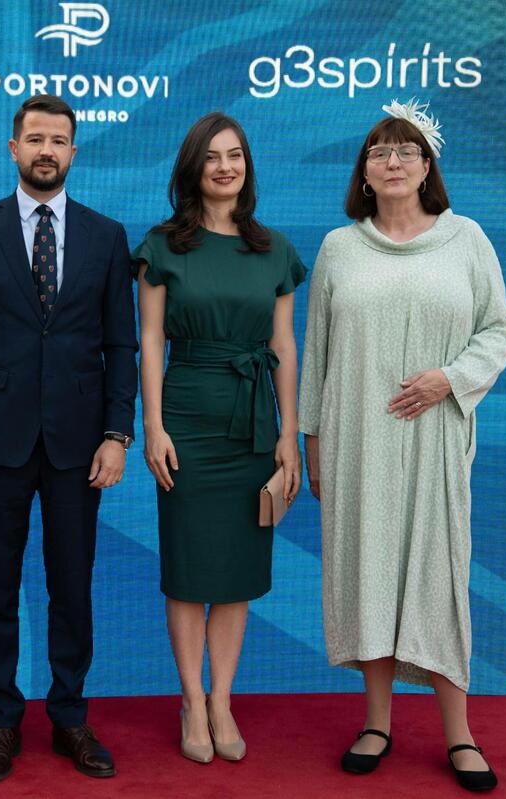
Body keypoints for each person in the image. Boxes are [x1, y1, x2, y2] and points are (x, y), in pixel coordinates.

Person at [299, 100, 506, 792]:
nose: (392, 162)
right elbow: (316, 355)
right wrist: (312, 445)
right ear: (364, 171)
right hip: (355, 441)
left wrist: (450, 378)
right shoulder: (339, 248)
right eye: (379, 152)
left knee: (436, 575)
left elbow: (499, 329)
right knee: (368, 572)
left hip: (434, 440)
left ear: (428, 168)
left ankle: (460, 733)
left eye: (406, 151)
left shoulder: (466, 239)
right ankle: (377, 722)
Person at [0, 95, 137, 783]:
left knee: (71, 586)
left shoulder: (107, 235)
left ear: (73, 152)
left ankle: (69, 716)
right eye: (35, 139)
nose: (46, 150)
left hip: (80, 446)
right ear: (13, 148)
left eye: (58, 140)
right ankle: (1, 722)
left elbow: (121, 345)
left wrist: (117, 433)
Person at [134, 112, 304, 764]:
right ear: (193, 168)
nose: (225, 166)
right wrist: (153, 425)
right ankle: (191, 699)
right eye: (212, 156)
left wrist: (289, 433)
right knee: (187, 570)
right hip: (186, 418)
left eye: (235, 155)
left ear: (247, 167)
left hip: (254, 425)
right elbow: (151, 339)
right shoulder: (161, 245)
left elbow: (283, 344)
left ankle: (222, 699)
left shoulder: (273, 249)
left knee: (235, 573)